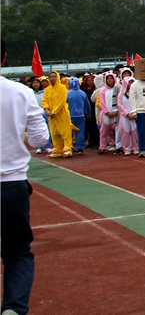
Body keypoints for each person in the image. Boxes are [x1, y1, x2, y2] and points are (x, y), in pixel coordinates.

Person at [1, 39, 51, 315]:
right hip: (11, 184)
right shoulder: (21, 92)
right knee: (17, 252)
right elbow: (40, 138)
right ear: (4, 58)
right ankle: (13, 307)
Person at [42, 71, 74, 159]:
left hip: (61, 114)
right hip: (51, 115)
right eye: (51, 77)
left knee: (65, 131)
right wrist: (47, 110)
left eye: (54, 77)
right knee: (54, 132)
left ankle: (67, 147)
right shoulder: (47, 90)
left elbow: (62, 101)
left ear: (58, 77)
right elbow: (45, 101)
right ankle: (58, 148)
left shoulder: (62, 88)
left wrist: (54, 112)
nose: (52, 78)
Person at [96, 73, 120, 154]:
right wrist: (107, 112)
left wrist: (115, 111)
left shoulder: (116, 90)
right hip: (106, 115)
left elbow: (118, 101)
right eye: (108, 79)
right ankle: (102, 147)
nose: (110, 80)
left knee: (117, 131)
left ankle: (119, 146)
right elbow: (102, 102)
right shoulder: (103, 91)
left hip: (115, 114)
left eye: (111, 78)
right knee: (104, 132)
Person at [66, 77, 89, 154]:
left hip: (70, 115)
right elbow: (87, 105)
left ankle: (69, 146)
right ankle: (80, 148)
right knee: (80, 132)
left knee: (69, 132)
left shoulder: (67, 93)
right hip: (80, 115)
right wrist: (88, 112)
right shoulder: (82, 93)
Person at [117, 78, 139, 156]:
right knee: (125, 132)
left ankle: (135, 147)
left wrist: (134, 113)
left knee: (135, 131)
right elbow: (120, 105)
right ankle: (127, 148)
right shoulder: (121, 94)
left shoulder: (136, 93)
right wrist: (127, 114)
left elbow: (138, 103)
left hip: (134, 115)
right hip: (125, 116)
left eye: (132, 82)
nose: (130, 84)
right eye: (129, 83)